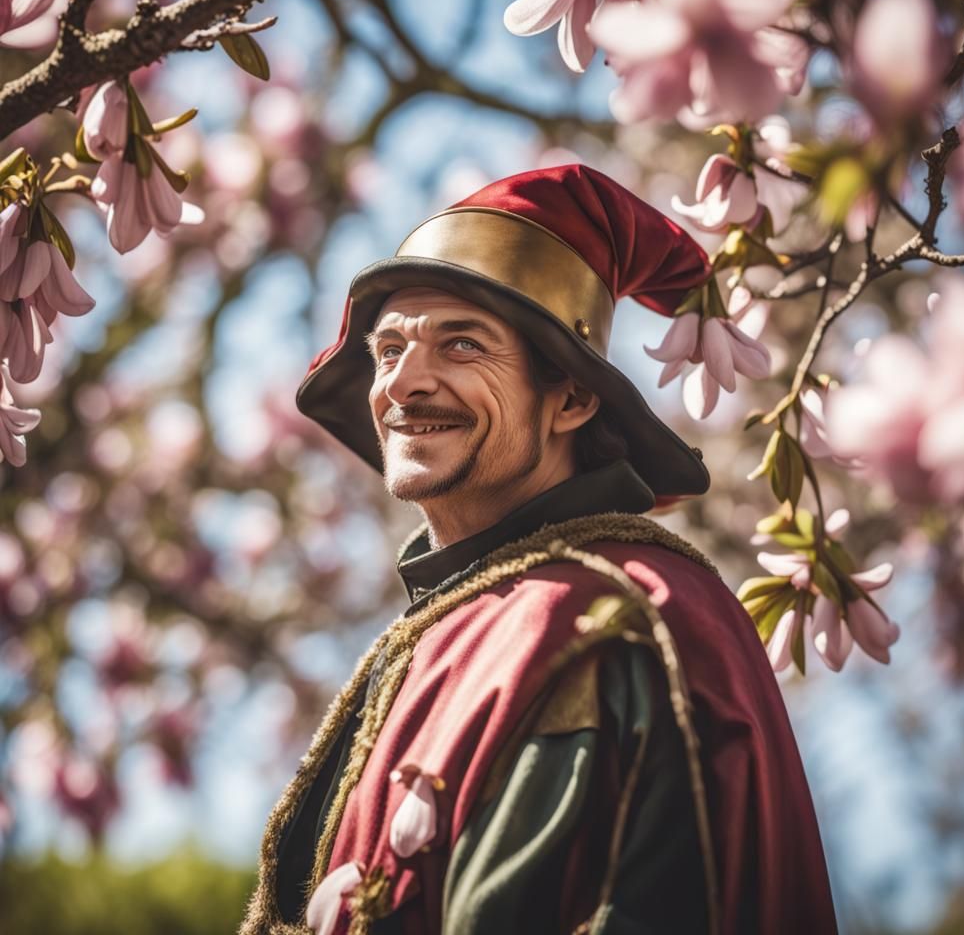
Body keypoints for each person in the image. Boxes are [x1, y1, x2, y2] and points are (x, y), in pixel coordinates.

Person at [239, 165, 837, 935]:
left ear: (572, 398)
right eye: (388, 349)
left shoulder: (614, 611)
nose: (403, 383)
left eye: (462, 344)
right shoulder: (455, 628)